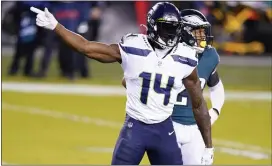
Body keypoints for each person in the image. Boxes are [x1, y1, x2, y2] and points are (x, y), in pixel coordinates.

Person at [30, 2, 213, 165]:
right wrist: (56, 26)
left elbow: (198, 105)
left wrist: (208, 146)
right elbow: (85, 47)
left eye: (174, 28)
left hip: (164, 130)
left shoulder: (186, 58)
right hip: (135, 129)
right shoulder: (134, 47)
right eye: (166, 27)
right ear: (153, 26)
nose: (171, 33)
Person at [172, 9, 225, 165]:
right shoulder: (168, 54)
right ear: (184, 33)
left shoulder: (209, 56)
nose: (202, 37)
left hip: (195, 128)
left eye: (203, 32)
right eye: (197, 32)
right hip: (168, 124)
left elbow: (216, 87)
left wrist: (215, 111)